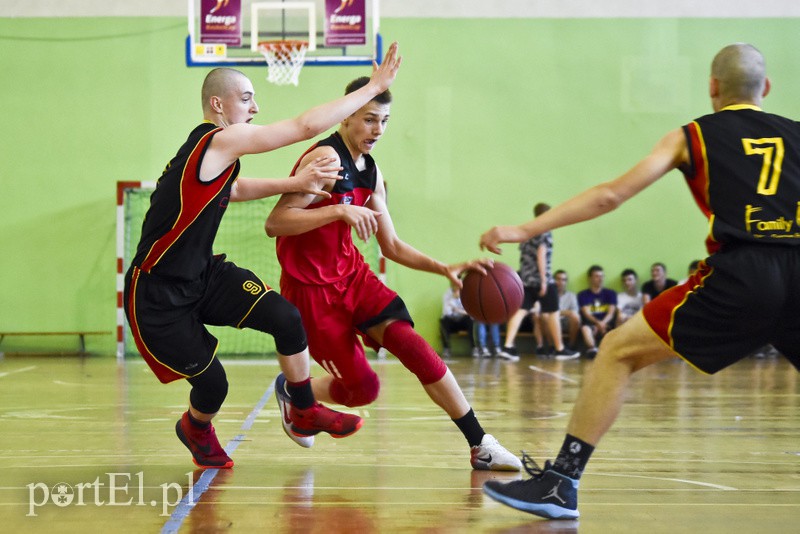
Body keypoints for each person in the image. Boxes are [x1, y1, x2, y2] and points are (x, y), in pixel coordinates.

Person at [479, 43, 800, 519]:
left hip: (743, 273)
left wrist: (526, 229)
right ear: (766, 89)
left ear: (712, 87)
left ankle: (560, 484)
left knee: (616, 351)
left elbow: (610, 196)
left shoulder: (692, 136)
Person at [123, 43, 402, 469]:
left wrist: (295, 184)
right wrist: (373, 89)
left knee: (286, 318)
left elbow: (233, 190)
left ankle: (303, 408)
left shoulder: (212, 154)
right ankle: (196, 426)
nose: (255, 107)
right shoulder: (220, 137)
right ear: (218, 104)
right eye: (247, 98)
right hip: (158, 292)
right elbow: (305, 126)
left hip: (203, 275)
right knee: (213, 385)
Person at [265, 76, 522, 471]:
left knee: (415, 347)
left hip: (353, 277)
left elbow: (392, 246)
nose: (378, 130)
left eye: (384, 121)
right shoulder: (325, 160)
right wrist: (336, 209)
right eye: (369, 119)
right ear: (347, 116)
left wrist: (444, 267)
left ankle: (481, 443)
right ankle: (295, 394)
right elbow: (276, 222)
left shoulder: (370, 170)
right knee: (363, 389)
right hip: (312, 291)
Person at [498, 203, 579, 361]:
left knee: (520, 311)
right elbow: (541, 255)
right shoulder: (545, 232)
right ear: (548, 214)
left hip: (526, 279)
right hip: (542, 280)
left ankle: (507, 347)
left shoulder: (527, 232)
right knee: (553, 312)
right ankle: (560, 349)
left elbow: (523, 257)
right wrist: (543, 280)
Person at [576, 265, 617, 358]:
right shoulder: (583, 295)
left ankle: (609, 351)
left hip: (606, 324)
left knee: (612, 331)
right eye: (597, 276)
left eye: (602, 276)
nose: (600, 279)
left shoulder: (610, 293)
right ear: (590, 278)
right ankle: (593, 349)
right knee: (585, 329)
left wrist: (602, 324)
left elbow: (611, 313)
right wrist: (598, 323)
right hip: (591, 324)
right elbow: (586, 313)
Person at [439, 285, 474, 358]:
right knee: (444, 320)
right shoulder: (448, 298)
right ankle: (447, 349)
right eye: (455, 290)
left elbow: (470, 313)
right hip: (452, 323)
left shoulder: (465, 298)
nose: (457, 292)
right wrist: (452, 303)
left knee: (470, 320)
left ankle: (474, 348)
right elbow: (447, 313)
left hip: (462, 323)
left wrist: (457, 310)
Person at [554, 269, 581, 350]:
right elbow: (544, 312)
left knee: (575, 316)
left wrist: (556, 313)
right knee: (544, 317)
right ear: (553, 280)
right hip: (551, 322)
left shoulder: (572, 296)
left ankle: (571, 345)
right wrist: (564, 312)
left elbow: (574, 312)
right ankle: (552, 346)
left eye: (563, 280)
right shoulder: (548, 294)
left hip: (566, 322)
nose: (561, 282)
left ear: (566, 282)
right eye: (558, 279)